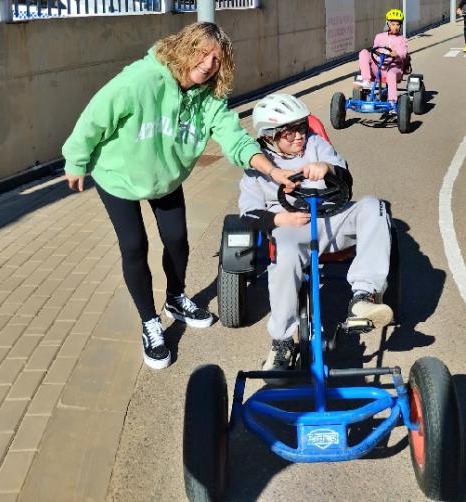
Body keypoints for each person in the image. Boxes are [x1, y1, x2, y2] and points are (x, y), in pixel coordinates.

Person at [62, 23, 294, 370]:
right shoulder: (142, 79)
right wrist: (76, 159)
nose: (209, 62)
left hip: (165, 178)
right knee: (134, 246)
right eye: (202, 52)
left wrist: (273, 171)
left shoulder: (210, 98)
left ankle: (175, 299)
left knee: (177, 241)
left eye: (217, 58)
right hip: (119, 176)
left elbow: (234, 138)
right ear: (184, 49)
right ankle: (149, 323)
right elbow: (97, 114)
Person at [238, 93, 393, 381]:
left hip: (330, 218)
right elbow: (247, 214)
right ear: (271, 137)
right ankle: (283, 341)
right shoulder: (258, 167)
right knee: (283, 260)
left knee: (375, 207)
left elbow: (344, 178)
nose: (300, 136)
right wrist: (277, 219)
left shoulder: (315, 143)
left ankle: (362, 296)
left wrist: (329, 168)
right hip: (291, 228)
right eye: (290, 132)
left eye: (301, 127)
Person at [354, 8, 409, 111]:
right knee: (364, 52)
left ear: (400, 25)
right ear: (388, 24)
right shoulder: (379, 37)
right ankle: (366, 81)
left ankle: (392, 102)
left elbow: (404, 54)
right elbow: (374, 49)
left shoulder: (402, 39)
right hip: (378, 66)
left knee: (391, 74)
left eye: (398, 24)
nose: (395, 27)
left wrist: (396, 54)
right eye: (393, 24)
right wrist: (375, 57)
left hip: (394, 67)